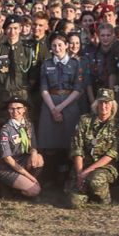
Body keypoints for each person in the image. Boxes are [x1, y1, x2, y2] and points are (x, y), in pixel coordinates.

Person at [36, 31, 84, 172]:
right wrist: (53, 109)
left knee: (69, 140)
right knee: (51, 141)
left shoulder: (75, 64)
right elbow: (43, 88)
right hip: (50, 102)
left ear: (67, 45)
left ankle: (69, 174)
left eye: (60, 45)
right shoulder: (46, 64)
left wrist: (60, 107)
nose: (57, 48)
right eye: (54, 45)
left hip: (69, 103)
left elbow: (78, 89)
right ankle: (54, 174)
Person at [69, 89, 119, 206]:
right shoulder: (85, 120)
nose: (104, 106)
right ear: (96, 104)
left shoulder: (116, 125)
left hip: (104, 167)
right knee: (75, 203)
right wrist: (80, 173)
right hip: (83, 166)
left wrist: (87, 172)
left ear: (112, 105)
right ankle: (88, 194)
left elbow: (111, 154)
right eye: (101, 102)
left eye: (107, 103)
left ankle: (104, 197)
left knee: (95, 180)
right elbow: (77, 148)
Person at [0, 98, 41, 200]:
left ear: (24, 109)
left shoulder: (29, 125)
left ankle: (21, 187)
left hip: (23, 162)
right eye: (11, 109)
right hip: (8, 167)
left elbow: (33, 146)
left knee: (39, 158)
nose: (15, 112)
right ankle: (14, 189)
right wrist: (29, 176)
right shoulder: (5, 130)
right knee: (35, 191)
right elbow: (7, 158)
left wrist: (34, 152)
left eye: (18, 108)